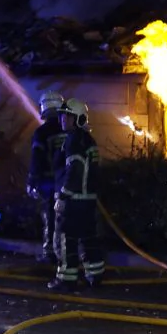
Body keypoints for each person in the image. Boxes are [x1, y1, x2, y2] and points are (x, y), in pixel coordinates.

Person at [49, 98, 106, 290]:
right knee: (88, 239)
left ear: (79, 119)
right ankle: (95, 275)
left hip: (73, 201)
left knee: (65, 240)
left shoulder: (74, 140)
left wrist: (64, 195)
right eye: (62, 115)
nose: (63, 119)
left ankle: (66, 280)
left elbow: (75, 169)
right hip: (87, 201)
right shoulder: (87, 139)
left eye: (68, 116)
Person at [26, 90, 69, 266]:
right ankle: (65, 253)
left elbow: (37, 159)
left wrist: (32, 181)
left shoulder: (42, 132)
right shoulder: (69, 129)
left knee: (49, 217)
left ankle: (49, 252)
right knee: (65, 219)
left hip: (48, 183)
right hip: (69, 183)